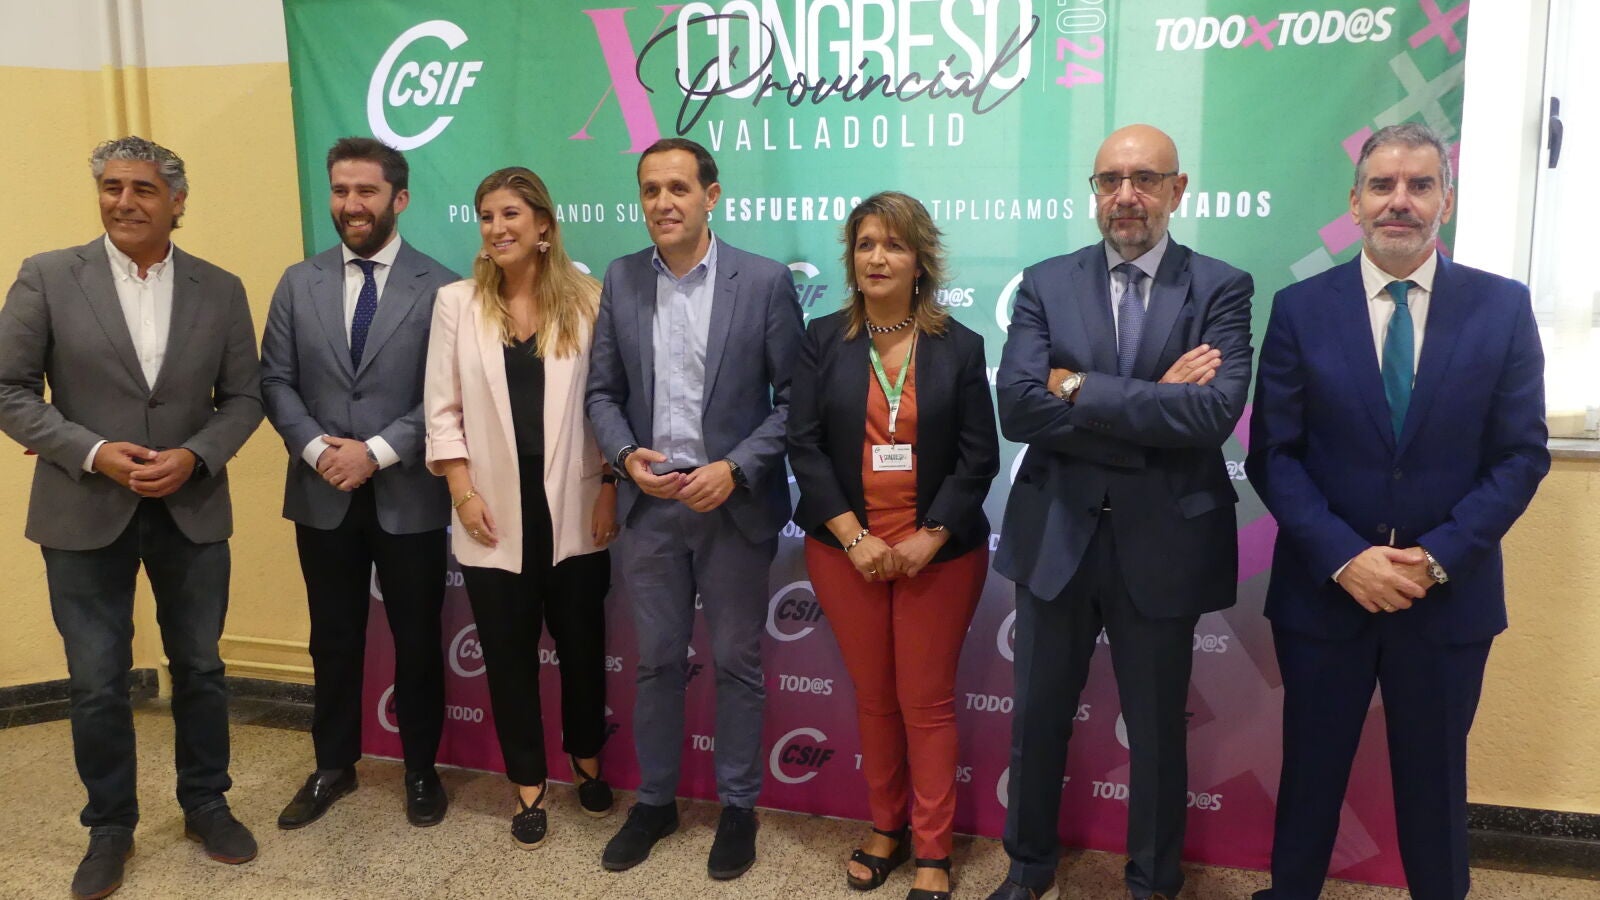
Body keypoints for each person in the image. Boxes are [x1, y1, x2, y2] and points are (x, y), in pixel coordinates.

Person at [1246, 123, 1549, 900]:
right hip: (1325, 592)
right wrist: (1346, 558)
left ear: (1446, 200)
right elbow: (1274, 454)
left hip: (1446, 595)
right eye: (1382, 185)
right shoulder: (1300, 309)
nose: (1399, 201)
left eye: (1420, 185)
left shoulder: (1503, 308)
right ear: (1354, 202)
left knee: (1436, 783)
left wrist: (1436, 557)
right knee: (1310, 773)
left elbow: (1521, 455)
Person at [988, 124, 1254, 900]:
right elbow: (1019, 408)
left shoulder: (1221, 286)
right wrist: (1153, 401)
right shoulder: (1045, 282)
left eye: (1145, 179)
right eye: (1110, 180)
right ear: (1095, 192)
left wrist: (1077, 386)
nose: (1125, 196)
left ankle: (1154, 881)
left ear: (1178, 189)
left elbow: (1211, 416)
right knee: (1037, 719)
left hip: (1164, 540)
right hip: (1056, 533)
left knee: (1158, 729)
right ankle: (1028, 868)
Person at [0, 136, 264, 899]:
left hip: (191, 506)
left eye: (143, 189)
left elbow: (243, 398)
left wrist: (196, 455)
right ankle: (110, 826)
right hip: (82, 509)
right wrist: (92, 452)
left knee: (201, 667)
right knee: (95, 681)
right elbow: (10, 389)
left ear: (177, 202)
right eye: (112, 187)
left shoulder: (221, 288)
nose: (124, 201)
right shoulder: (48, 277)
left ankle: (206, 804)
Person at [585, 137, 804, 880]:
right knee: (656, 663)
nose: (663, 203)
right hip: (651, 510)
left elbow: (795, 403)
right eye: (650, 190)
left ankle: (738, 806)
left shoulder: (764, 281)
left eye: (678, 188)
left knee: (738, 662)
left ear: (712, 196)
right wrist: (625, 458)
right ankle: (655, 802)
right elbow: (602, 394)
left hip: (731, 508)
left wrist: (735, 470)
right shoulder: (621, 278)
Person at [789, 191, 998, 900]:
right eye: (865, 244)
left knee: (926, 703)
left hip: (938, 557)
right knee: (876, 700)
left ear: (920, 261)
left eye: (894, 244)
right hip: (844, 552)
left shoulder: (960, 346)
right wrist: (854, 537)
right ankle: (887, 827)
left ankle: (934, 848)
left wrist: (929, 538)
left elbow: (978, 457)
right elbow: (804, 445)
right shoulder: (822, 339)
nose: (877, 257)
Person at [260, 137, 458, 831]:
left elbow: (445, 393)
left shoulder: (442, 287)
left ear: (399, 198)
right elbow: (275, 381)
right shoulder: (298, 282)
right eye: (341, 190)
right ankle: (332, 766)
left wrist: (374, 452)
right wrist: (321, 451)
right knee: (332, 637)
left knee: (417, 639)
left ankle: (421, 770)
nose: (351, 204)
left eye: (366, 191)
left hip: (409, 494)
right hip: (322, 494)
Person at [424, 166, 619, 849]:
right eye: (487, 216)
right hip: (491, 512)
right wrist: (462, 493)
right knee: (507, 656)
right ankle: (528, 783)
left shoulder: (591, 300)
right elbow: (442, 410)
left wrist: (610, 485)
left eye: (510, 214)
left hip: (578, 505)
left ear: (543, 226)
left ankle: (587, 761)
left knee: (583, 648)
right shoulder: (456, 304)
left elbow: (610, 404)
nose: (497, 227)